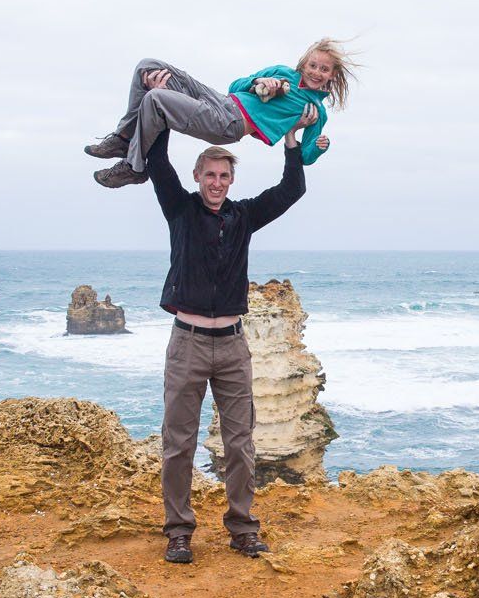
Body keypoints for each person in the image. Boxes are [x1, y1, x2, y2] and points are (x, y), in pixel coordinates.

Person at [147, 109, 310, 564]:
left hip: (234, 345)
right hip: (188, 343)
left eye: (224, 176)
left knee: (241, 442)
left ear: (231, 180)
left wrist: (293, 141)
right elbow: (157, 164)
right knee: (178, 443)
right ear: (197, 176)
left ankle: (242, 528)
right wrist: (161, 115)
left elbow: (291, 190)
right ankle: (178, 530)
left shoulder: (243, 217)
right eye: (210, 175)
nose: (217, 182)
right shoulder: (179, 209)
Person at [85, 38, 355, 188]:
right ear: (304, 63)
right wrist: (258, 84)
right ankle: (123, 138)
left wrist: (319, 147)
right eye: (313, 65)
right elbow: (235, 86)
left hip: (230, 124)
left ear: (333, 75)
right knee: (147, 66)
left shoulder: (314, 110)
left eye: (324, 69)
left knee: (156, 99)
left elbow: (305, 156)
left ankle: (135, 167)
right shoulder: (282, 72)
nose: (316, 72)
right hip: (223, 101)